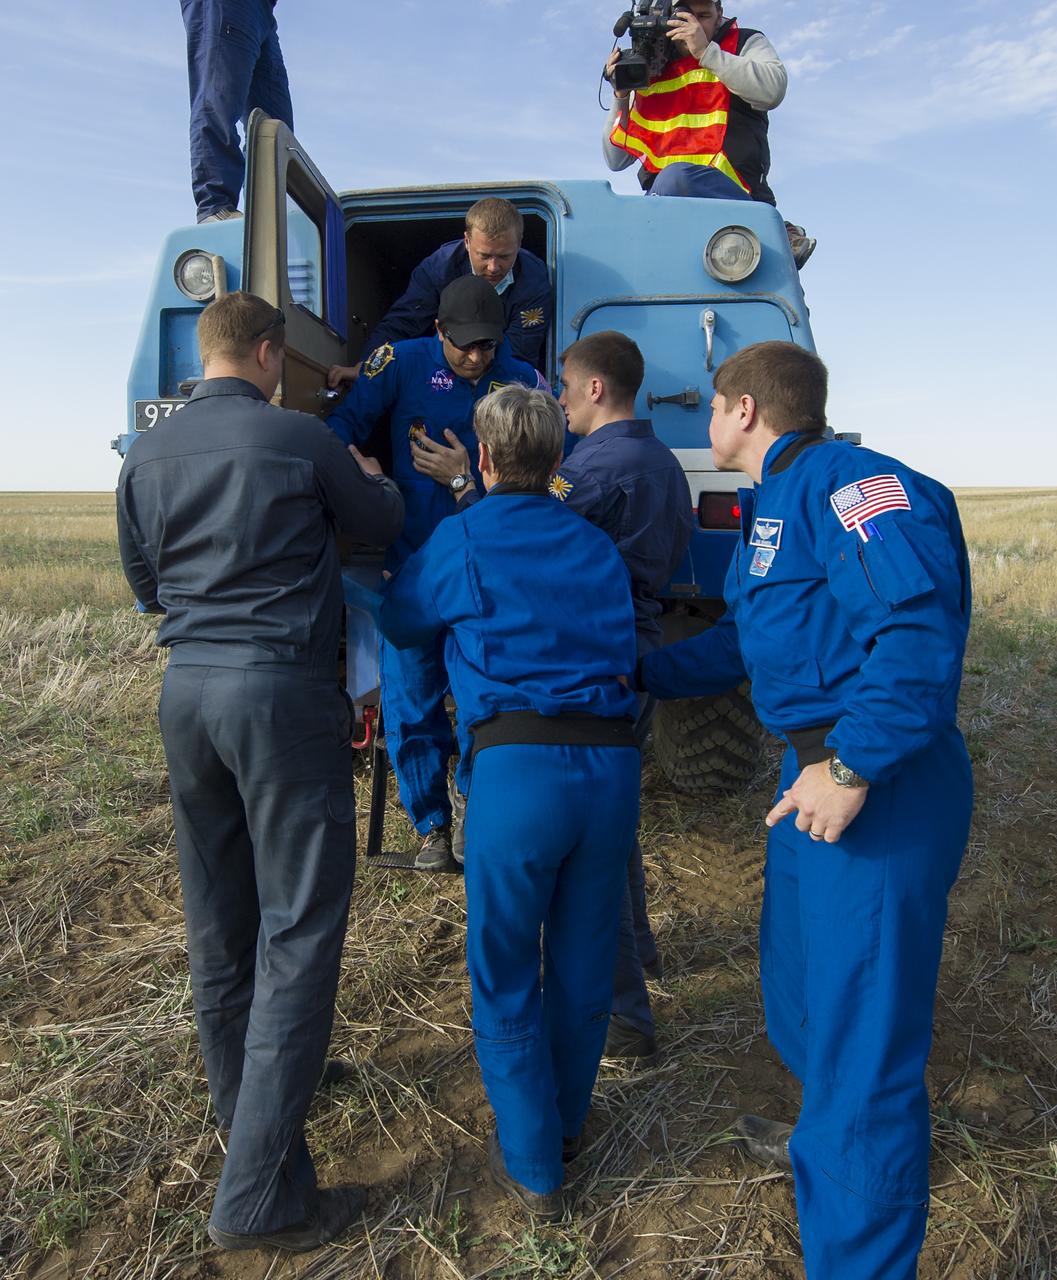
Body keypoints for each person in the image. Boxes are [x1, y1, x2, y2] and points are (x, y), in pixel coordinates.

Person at [636, 341, 973, 1278]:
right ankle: (824, 1140)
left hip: (876, 781)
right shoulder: (772, 502)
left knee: (863, 1042)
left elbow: (917, 634)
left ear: (742, 410)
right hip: (811, 771)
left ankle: (857, 1238)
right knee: (800, 992)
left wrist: (852, 766)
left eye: (711, 406)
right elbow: (743, 643)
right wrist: (632, 672)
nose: (706, 421)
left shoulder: (852, 486)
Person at [116, 292, 404, 1252]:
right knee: (300, 932)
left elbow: (146, 587)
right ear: (271, 354)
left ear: (205, 355)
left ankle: (254, 1130)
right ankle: (257, 1200)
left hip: (186, 695)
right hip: (277, 696)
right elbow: (376, 522)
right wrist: (377, 477)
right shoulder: (300, 438)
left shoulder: (145, 453)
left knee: (220, 930)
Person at [379, 383, 641, 1220]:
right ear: (558, 459)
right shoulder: (593, 543)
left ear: (484, 459)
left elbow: (402, 621)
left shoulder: (461, 538)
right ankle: (568, 1124)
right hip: (610, 773)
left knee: (503, 968)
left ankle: (533, 1168)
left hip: (518, 775)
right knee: (582, 958)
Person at [326, 275, 548, 870]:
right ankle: (431, 827)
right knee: (411, 702)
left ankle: (477, 806)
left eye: (488, 345)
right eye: (465, 345)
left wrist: (465, 480)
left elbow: (551, 477)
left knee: (486, 702)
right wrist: (357, 477)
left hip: (487, 579)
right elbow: (341, 429)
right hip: (415, 569)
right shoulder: (399, 362)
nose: (477, 357)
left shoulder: (522, 380)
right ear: (438, 330)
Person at [549, 331, 693, 1058]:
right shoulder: (661, 460)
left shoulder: (595, 467)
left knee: (586, 844)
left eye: (565, 387)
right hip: (640, 644)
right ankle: (642, 950)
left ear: (596, 388)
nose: (560, 400)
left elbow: (535, 536)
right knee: (613, 822)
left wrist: (464, 487)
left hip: (597, 658)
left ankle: (624, 1020)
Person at [602, 1, 816, 268]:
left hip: (737, 197)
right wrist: (621, 95)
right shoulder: (651, 63)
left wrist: (705, 52)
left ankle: (770, 232)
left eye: (703, 16)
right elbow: (615, 160)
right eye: (686, 16)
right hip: (667, 204)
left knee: (676, 178)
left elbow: (772, 91)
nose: (694, 25)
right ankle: (776, 234)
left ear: (719, 14)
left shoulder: (744, 42)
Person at [328, 199, 552, 379]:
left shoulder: (533, 280)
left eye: (504, 256)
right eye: (484, 256)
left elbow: (520, 352)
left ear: (519, 243)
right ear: (467, 241)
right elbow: (403, 324)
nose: (493, 267)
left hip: (501, 371)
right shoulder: (438, 269)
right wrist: (368, 364)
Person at [180, 0, 293, 223]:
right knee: (219, 98)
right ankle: (215, 205)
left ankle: (267, 218)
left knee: (277, 131)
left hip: (264, 10)